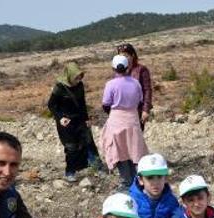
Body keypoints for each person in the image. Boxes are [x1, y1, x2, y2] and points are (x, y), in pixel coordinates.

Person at [47, 62, 103, 182]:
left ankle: (98, 168)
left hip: (80, 119)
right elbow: (51, 105)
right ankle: (70, 172)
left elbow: (82, 103)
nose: (78, 80)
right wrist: (60, 117)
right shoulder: (60, 87)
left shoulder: (80, 86)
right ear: (69, 76)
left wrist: (87, 118)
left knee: (89, 143)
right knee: (71, 147)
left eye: (80, 77)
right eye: (76, 77)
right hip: (66, 123)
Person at [99, 55, 147, 190]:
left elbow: (106, 104)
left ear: (113, 68)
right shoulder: (135, 83)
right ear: (127, 67)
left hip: (116, 120)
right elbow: (140, 101)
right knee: (133, 150)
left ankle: (127, 181)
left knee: (119, 152)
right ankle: (137, 180)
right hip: (132, 119)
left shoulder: (110, 84)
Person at [129, 153, 179, 218]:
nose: (155, 183)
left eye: (159, 177)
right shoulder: (132, 200)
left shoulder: (171, 200)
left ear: (165, 178)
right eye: (150, 178)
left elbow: (178, 217)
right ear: (141, 180)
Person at [116, 43, 153, 131]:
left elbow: (147, 90)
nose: (124, 59)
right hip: (122, 111)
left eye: (126, 56)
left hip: (137, 110)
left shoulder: (141, 70)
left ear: (132, 55)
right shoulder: (118, 72)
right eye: (121, 56)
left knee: (136, 136)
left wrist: (146, 110)